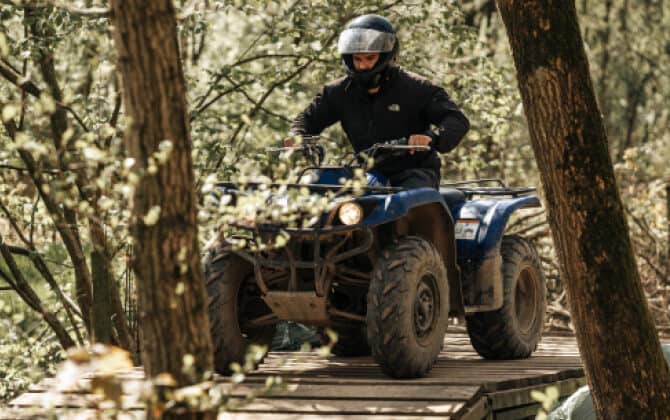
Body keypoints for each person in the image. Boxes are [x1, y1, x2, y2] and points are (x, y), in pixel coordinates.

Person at [287, 14, 470, 189]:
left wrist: (432, 137)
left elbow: (456, 120)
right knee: (318, 186)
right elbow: (307, 119)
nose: (362, 65)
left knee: (408, 206)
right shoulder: (339, 91)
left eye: (369, 58)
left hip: (414, 172)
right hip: (367, 173)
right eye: (357, 59)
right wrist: (297, 135)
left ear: (386, 56)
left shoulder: (417, 87)